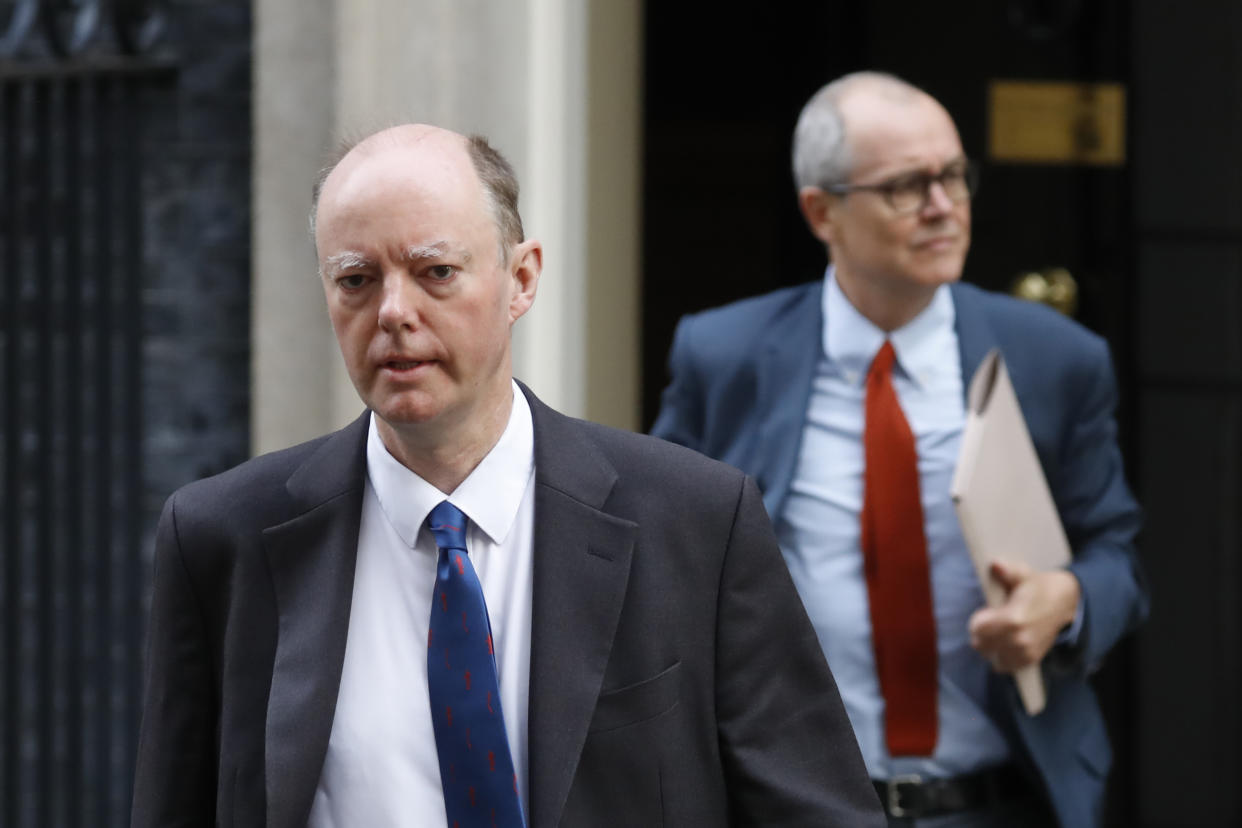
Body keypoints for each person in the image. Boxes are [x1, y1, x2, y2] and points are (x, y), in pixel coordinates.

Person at [130, 124, 885, 827]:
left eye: (436, 272)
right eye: (356, 279)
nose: (394, 311)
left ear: (521, 279)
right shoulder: (219, 539)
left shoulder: (695, 524)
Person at [651, 72, 1148, 828]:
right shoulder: (725, 357)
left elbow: (1119, 554)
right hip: (793, 804)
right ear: (823, 211)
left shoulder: (1056, 360)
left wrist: (1068, 603)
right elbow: (660, 565)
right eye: (907, 186)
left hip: (1001, 800)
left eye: (953, 176)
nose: (944, 206)